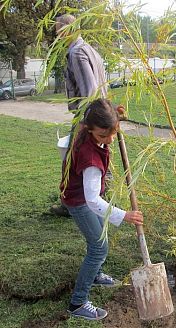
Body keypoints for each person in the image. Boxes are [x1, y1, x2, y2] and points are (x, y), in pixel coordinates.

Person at [61, 99, 143, 320]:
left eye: (113, 133)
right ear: (89, 129)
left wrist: (115, 115)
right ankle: (78, 303)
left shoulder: (88, 127)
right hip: (80, 201)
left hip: (78, 196)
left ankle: (95, 275)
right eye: (102, 136)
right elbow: (93, 201)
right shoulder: (90, 159)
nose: (109, 140)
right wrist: (124, 215)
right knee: (98, 248)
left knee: (100, 242)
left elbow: (100, 112)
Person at [50, 14, 108, 217]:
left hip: (88, 117)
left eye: (59, 32)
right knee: (95, 157)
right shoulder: (90, 49)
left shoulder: (77, 53)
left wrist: (85, 124)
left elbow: (90, 91)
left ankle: (74, 203)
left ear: (69, 29)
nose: (58, 36)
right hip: (100, 116)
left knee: (73, 160)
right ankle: (99, 198)